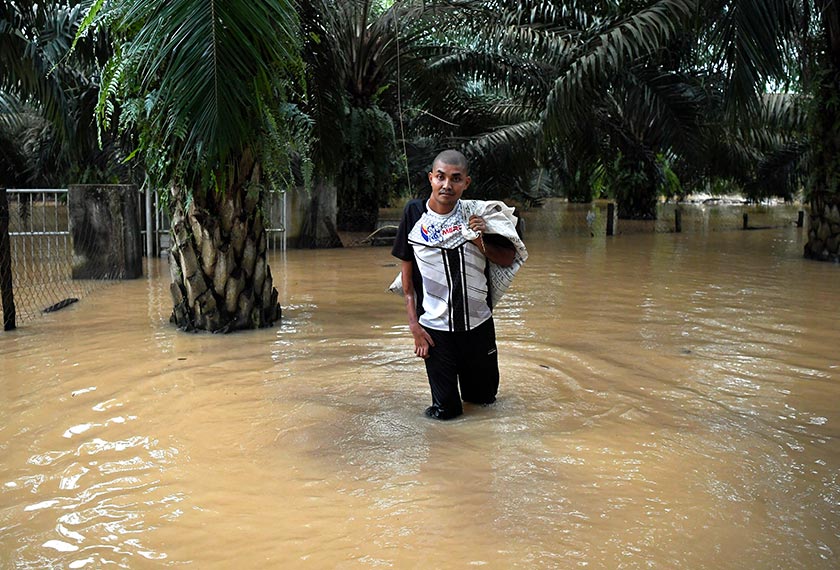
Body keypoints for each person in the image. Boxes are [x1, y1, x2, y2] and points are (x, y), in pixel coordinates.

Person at [391, 149, 523, 420]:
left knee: (484, 404)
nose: (447, 185)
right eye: (440, 177)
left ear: (466, 182)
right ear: (431, 178)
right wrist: (414, 327)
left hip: (479, 327)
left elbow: (508, 258)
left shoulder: (478, 215)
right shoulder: (414, 214)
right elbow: (407, 279)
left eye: (455, 178)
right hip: (435, 331)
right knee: (446, 414)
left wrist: (479, 240)